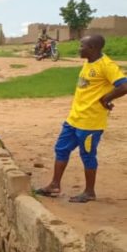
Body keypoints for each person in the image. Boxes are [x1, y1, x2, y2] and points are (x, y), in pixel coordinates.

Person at [36, 34, 127, 203]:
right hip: (74, 118)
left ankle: (89, 192)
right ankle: (55, 184)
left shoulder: (107, 65)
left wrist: (106, 99)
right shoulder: (89, 62)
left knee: (87, 155)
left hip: (90, 122)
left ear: (92, 48)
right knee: (61, 149)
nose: (79, 49)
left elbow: (123, 86)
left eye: (81, 46)